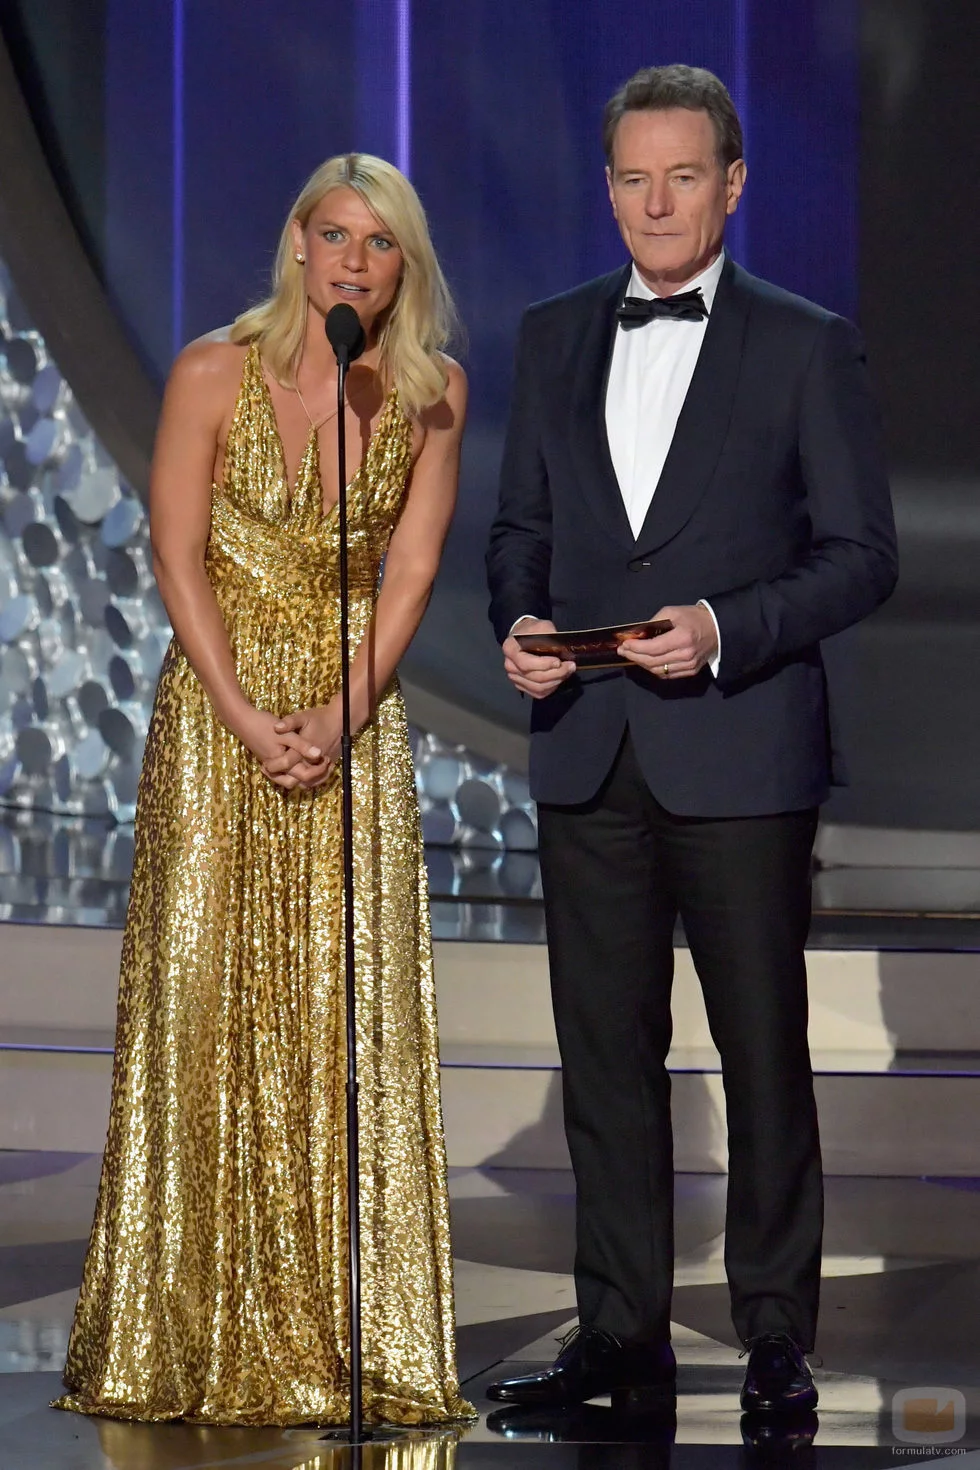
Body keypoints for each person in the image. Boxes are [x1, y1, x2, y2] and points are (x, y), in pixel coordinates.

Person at [485, 65, 897, 1417]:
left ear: (731, 185)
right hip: (586, 745)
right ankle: (620, 1331)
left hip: (739, 746)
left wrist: (724, 626)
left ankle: (776, 1335)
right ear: (607, 190)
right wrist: (518, 620)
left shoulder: (804, 343)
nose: (656, 202)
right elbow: (520, 529)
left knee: (761, 1050)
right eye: (633, 178)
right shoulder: (552, 334)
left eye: (682, 176)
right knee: (604, 1058)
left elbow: (861, 555)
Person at [56, 153, 473, 1427]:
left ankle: (343, 1333)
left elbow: (411, 571)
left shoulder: (431, 394)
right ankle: (182, 1331)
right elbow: (175, 554)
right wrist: (246, 716)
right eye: (335, 234)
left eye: (380, 243)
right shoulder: (208, 372)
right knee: (202, 1003)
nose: (354, 260)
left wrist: (340, 715)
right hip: (218, 718)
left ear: (403, 266)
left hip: (351, 719)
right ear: (297, 243)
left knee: (341, 1020)